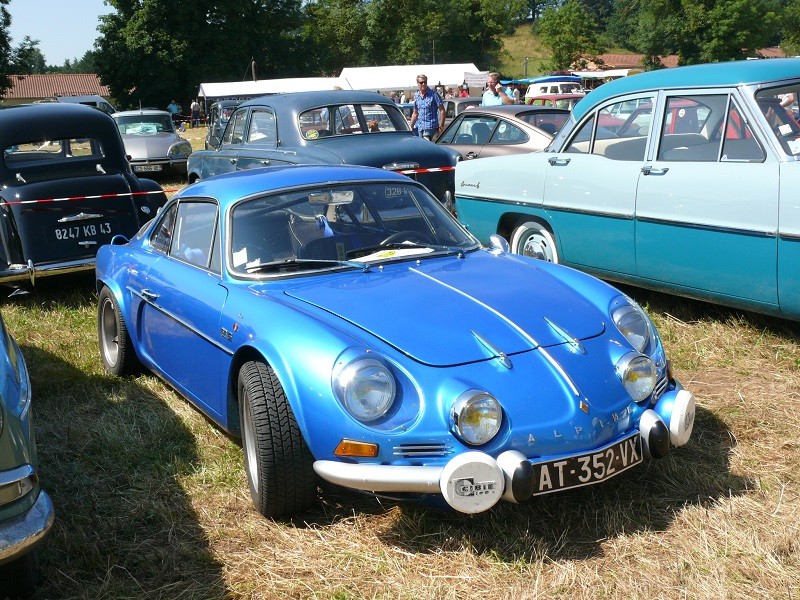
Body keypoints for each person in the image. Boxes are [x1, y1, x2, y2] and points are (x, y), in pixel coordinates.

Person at [409, 74, 445, 140]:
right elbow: (415, 113)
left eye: (425, 82)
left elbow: (442, 110)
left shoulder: (434, 94)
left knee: (426, 146)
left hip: (431, 127)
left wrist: (441, 126)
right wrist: (410, 127)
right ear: (417, 83)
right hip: (420, 127)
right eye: (421, 82)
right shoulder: (417, 96)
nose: (423, 84)